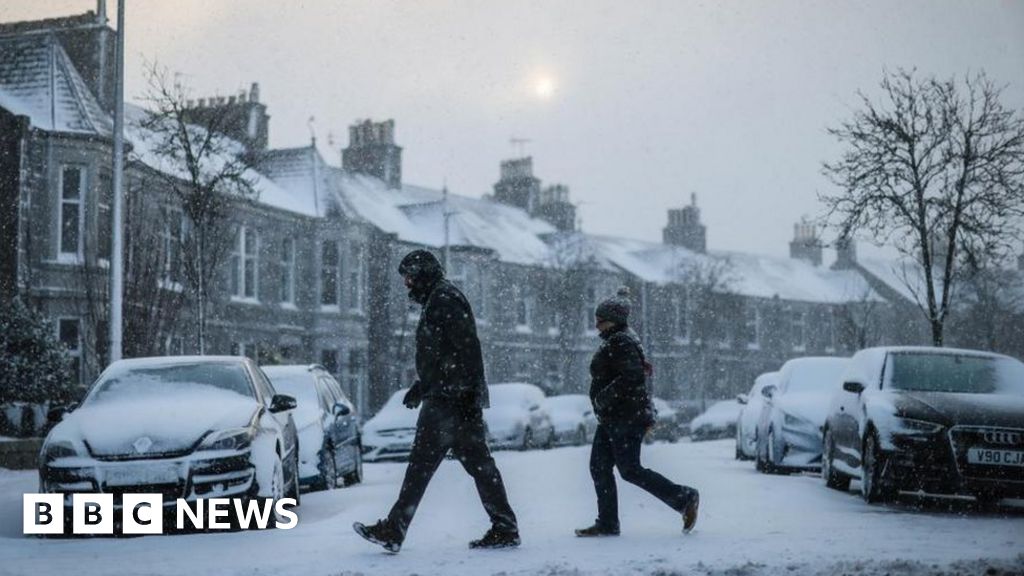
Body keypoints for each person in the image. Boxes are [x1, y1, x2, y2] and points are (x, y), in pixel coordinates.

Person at [354, 250, 520, 553]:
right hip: (453, 396)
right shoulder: (440, 298)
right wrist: (422, 385)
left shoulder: (444, 299)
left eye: (410, 276)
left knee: (421, 466)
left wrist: (457, 392)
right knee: (480, 466)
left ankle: (395, 529)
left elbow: (464, 349)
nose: (407, 284)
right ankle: (504, 527)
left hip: (449, 400)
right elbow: (445, 354)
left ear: (425, 274)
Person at [575, 287, 699, 537]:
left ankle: (684, 497)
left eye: (601, 319)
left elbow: (630, 377)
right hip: (613, 417)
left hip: (625, 417)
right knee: (599, 467)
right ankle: (608, 522)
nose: (597, 324)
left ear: (614, 320)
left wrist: (602, 398)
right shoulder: (619, 340)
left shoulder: (621, 341)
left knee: (630, 469)